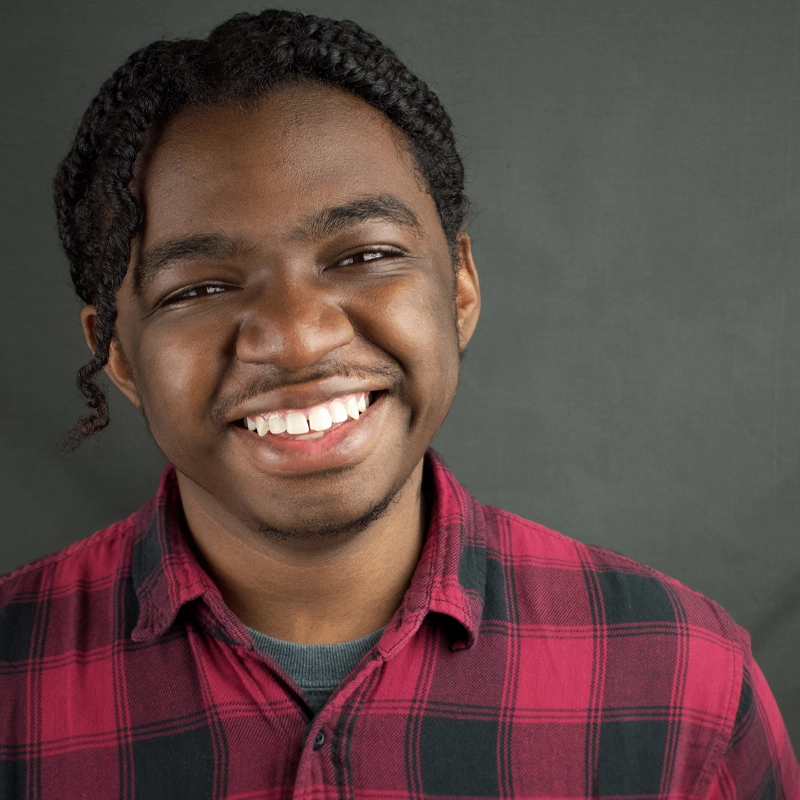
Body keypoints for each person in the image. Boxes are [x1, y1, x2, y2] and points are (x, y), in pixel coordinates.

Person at [0, 9, 797, 798]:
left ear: (458, 286)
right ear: (117, 353)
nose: (299, 337)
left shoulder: (685, 679)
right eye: (201, 287)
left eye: (365, 255)